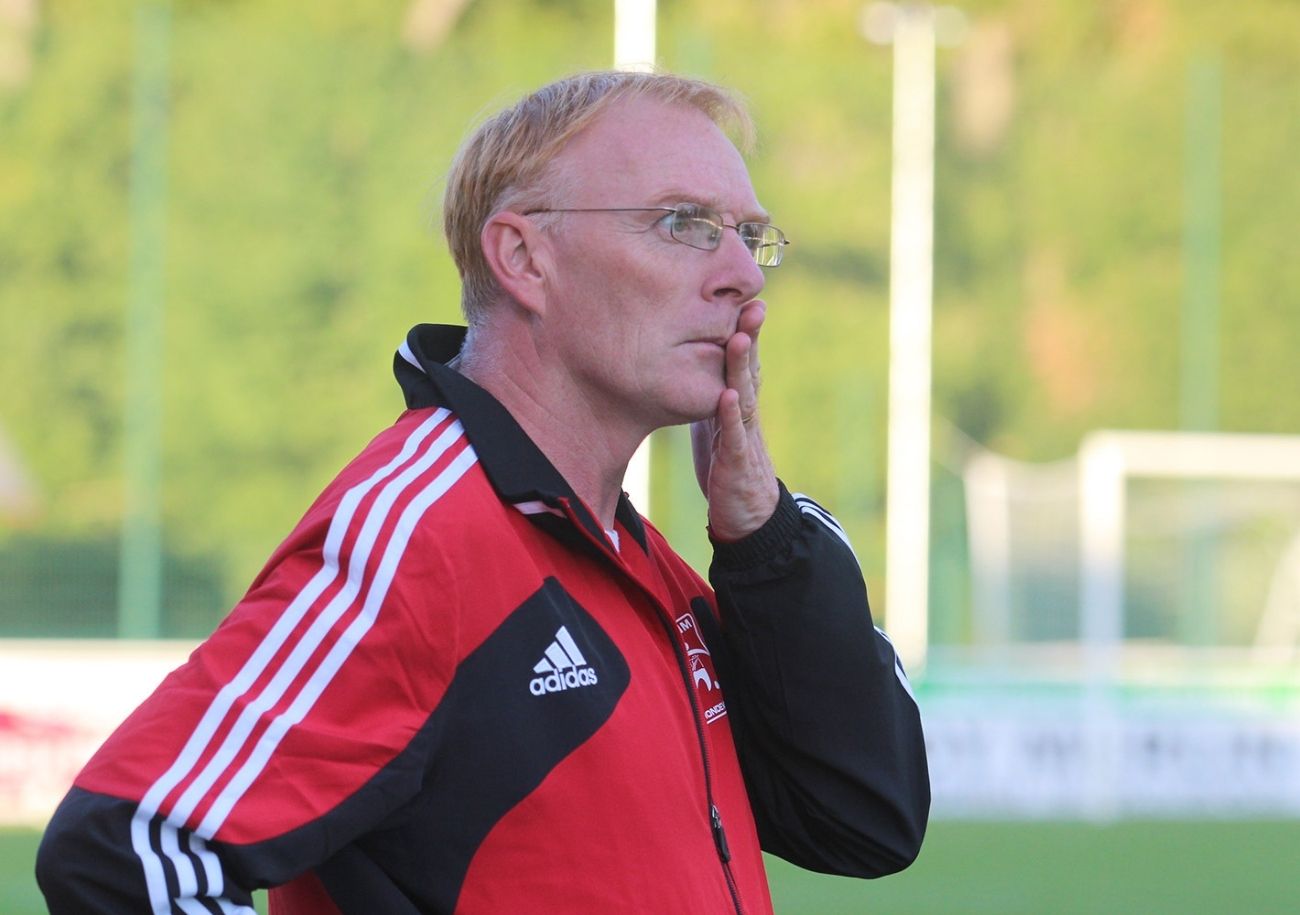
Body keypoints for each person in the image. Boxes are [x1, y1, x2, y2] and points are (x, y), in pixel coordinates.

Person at [36, 70, 929, 914]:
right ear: (523, 259)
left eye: (750, 234)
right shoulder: (425, 532)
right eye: (685, 223)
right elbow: (129, 848)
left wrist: (762, 535)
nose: (742, 274)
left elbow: (861, 815)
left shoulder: (632, 557)